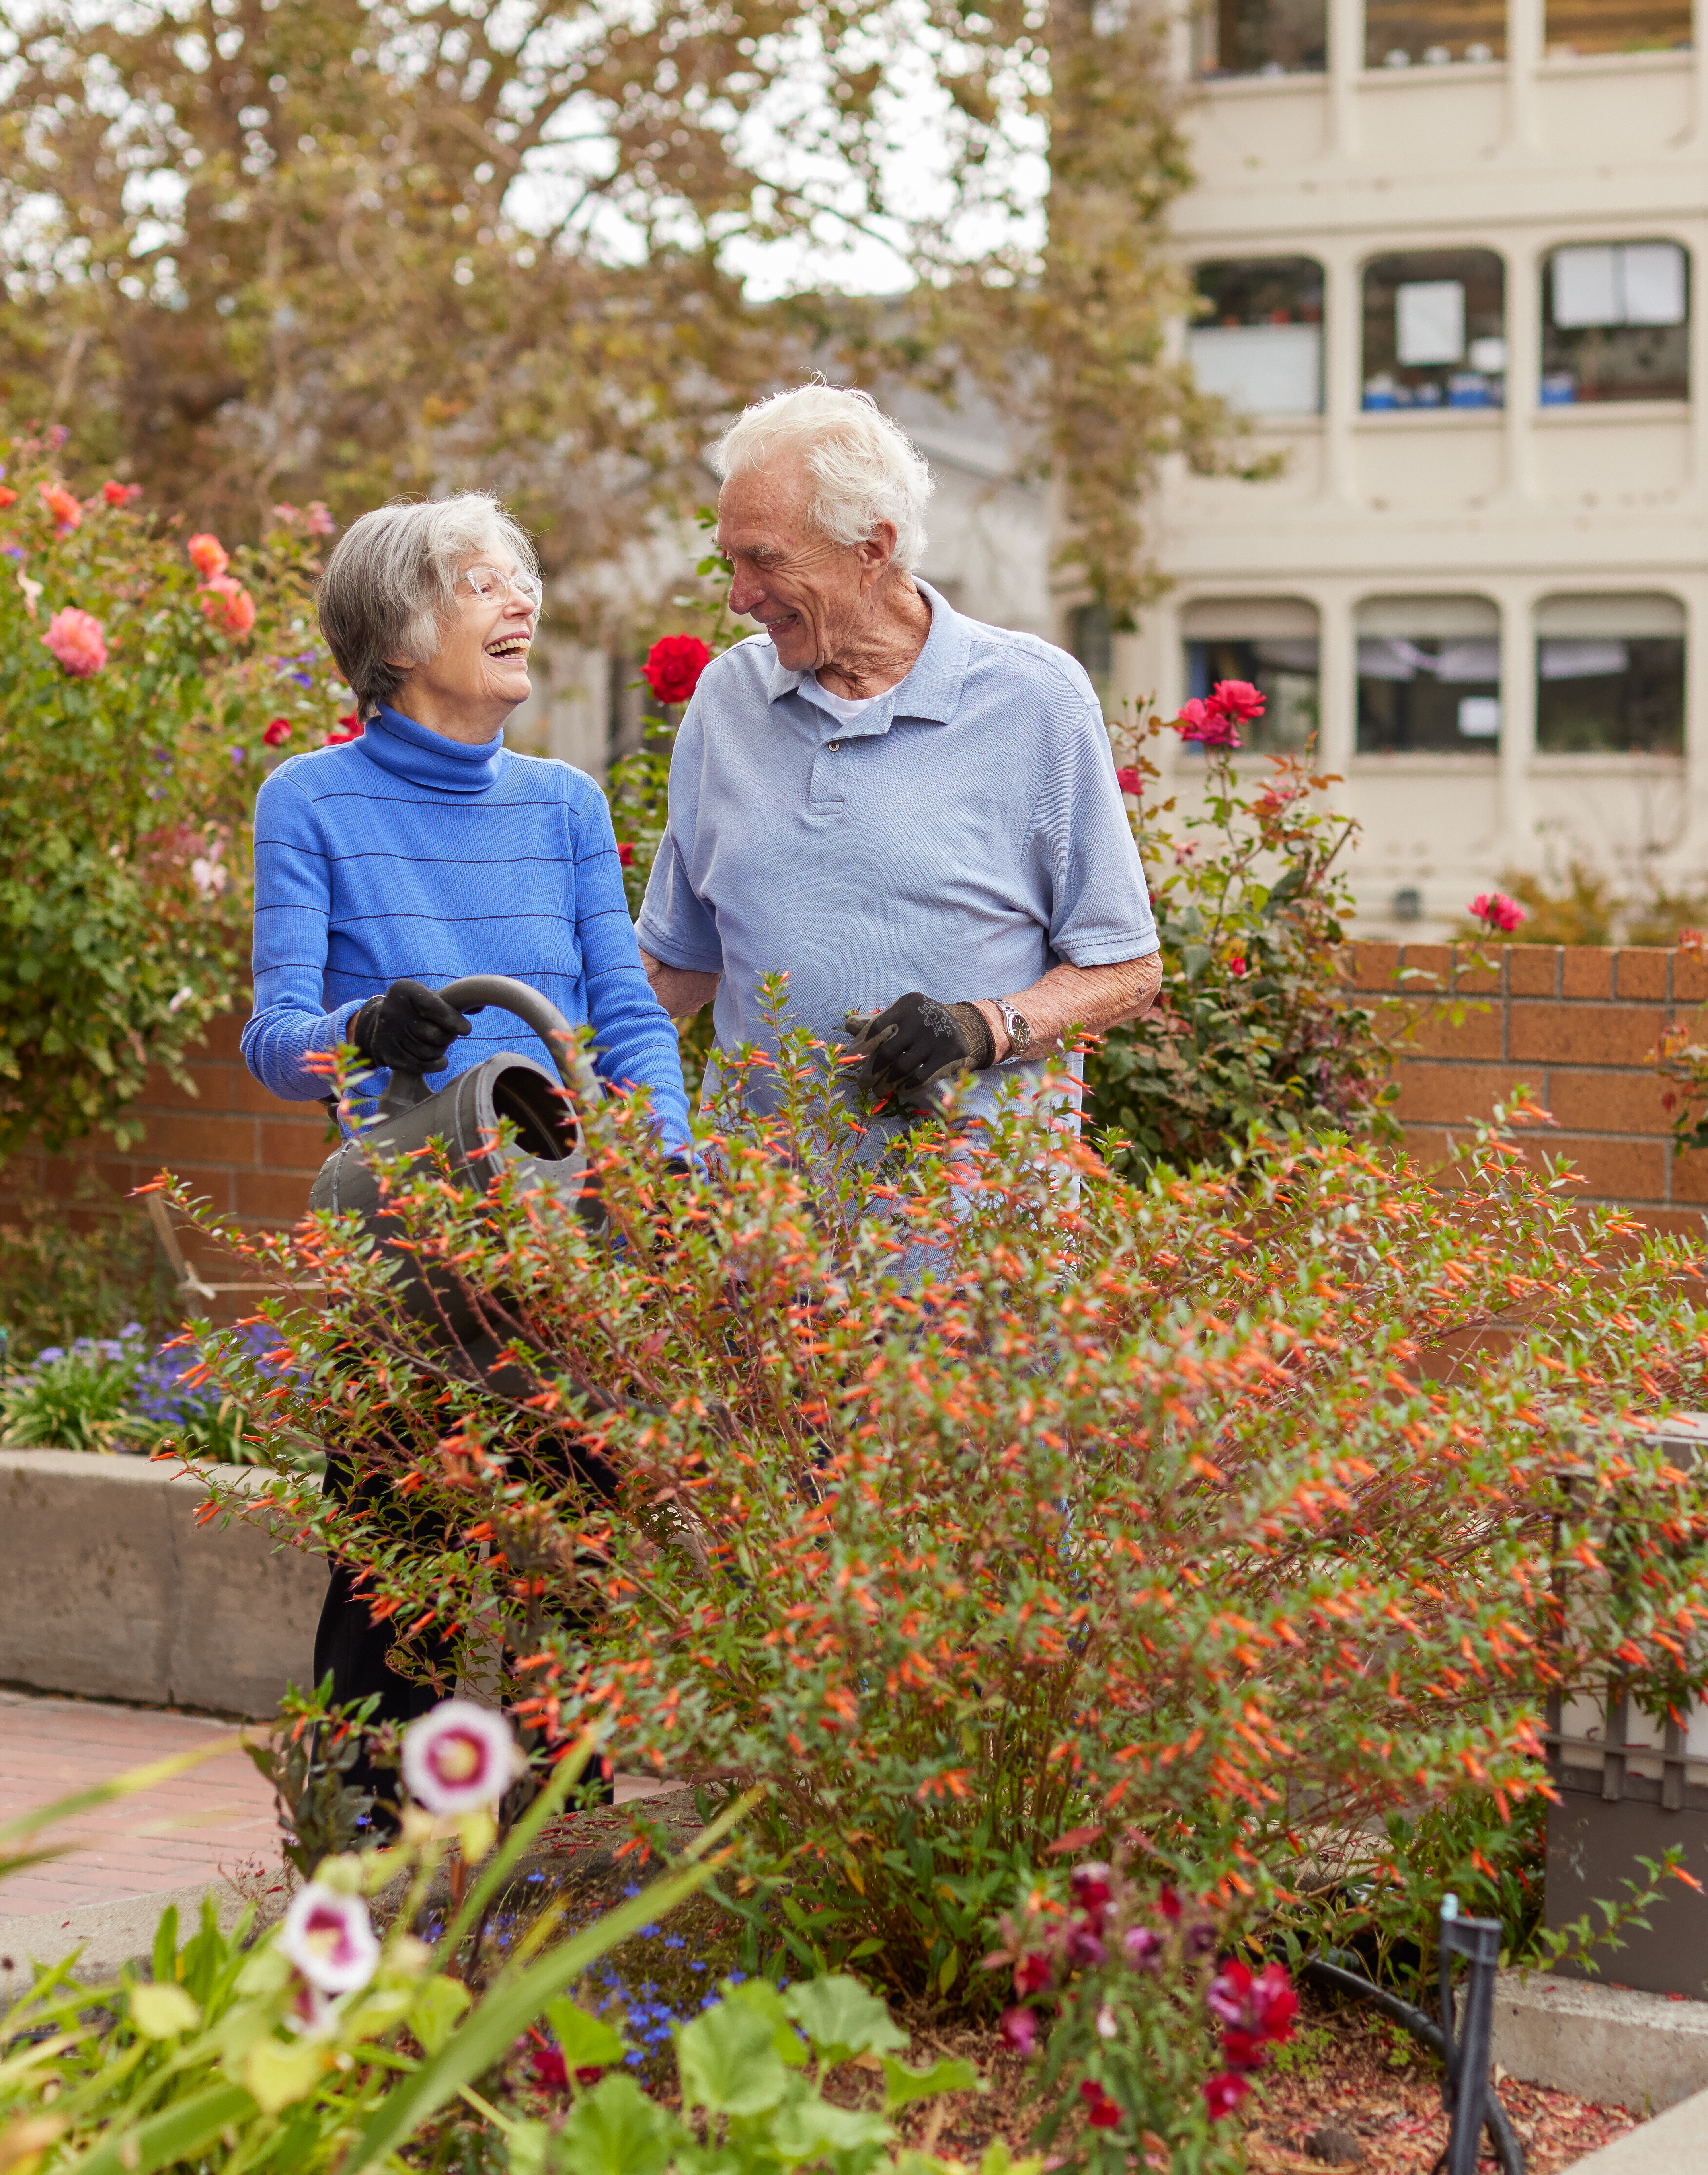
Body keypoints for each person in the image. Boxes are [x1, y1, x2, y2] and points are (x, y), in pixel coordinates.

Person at [242, 490, 686, 1752]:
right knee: (397, 1601)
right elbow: (275, 1041)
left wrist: (666, 1161)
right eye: (482, 583)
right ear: (395, 638)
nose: (520, 601)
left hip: (569, 1240)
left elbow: (628, 1017)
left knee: (576, 1597)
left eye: (520, 579)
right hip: (413, 1245)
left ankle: (564, 1896)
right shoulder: (311, 801)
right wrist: (363, 1029)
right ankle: (365, 1882)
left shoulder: (564, 805)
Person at [636, 384, 1164, 1137]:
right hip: (761, 1226)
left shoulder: (1034, 701)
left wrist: (984, 1027)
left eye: (764, 560)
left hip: (972, 1232)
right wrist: (506, 1027)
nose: (738, 597)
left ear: (873, 550)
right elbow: (676, 967)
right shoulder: (729, 701)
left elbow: (1128, 971)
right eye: (731, 560)